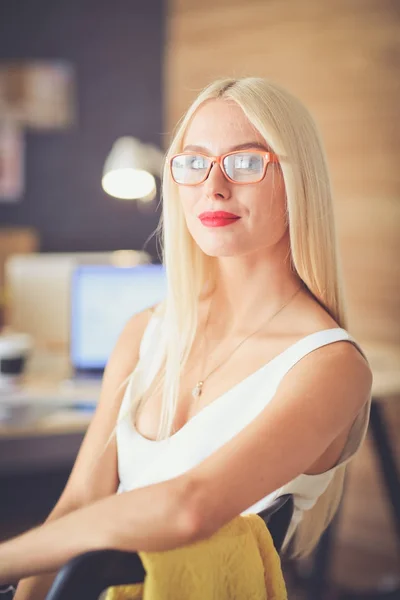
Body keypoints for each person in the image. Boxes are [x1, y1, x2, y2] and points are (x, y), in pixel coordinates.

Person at [1, 77, 372, 599]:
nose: (213, 188)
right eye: (194, 162)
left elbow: (188, 505)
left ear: (297, 179)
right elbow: (81, 501)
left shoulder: (329, 366)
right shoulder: (145, 331)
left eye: (245, 163)